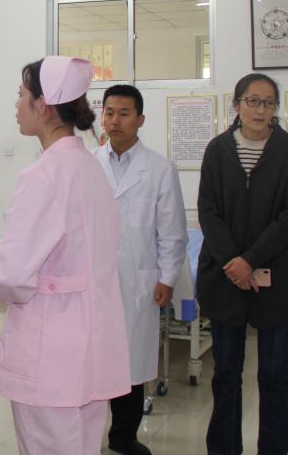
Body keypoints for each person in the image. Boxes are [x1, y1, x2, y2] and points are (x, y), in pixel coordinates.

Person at [0, 56, 130, 455]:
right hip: (91, 344)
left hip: (50, 352)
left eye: (21, 94)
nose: (16, 103)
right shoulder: (90, 167)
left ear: (43, 105)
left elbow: (11, 274)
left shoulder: (44, 174)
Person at [197, 73, 288, 455]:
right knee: (226, 373)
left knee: (274, 373)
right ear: (236, 104)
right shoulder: (217, 150)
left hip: (277, 277)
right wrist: (234, 261)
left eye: (269, 102)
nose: (261, 109)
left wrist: (250, 260)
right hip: (225, 277)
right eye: (253, 101)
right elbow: (208, 211)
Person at [94, 84, 188, 455]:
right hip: (94, 280)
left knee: (130, 364)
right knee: (93, 360)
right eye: (109, 112)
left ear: (140, 119)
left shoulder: (160, 169)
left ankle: (123, 437)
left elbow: (172, 229)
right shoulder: (88, 164)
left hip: (138, 281)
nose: (115, 120)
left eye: (124, 113)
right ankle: (86, 435)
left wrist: (167, 277)